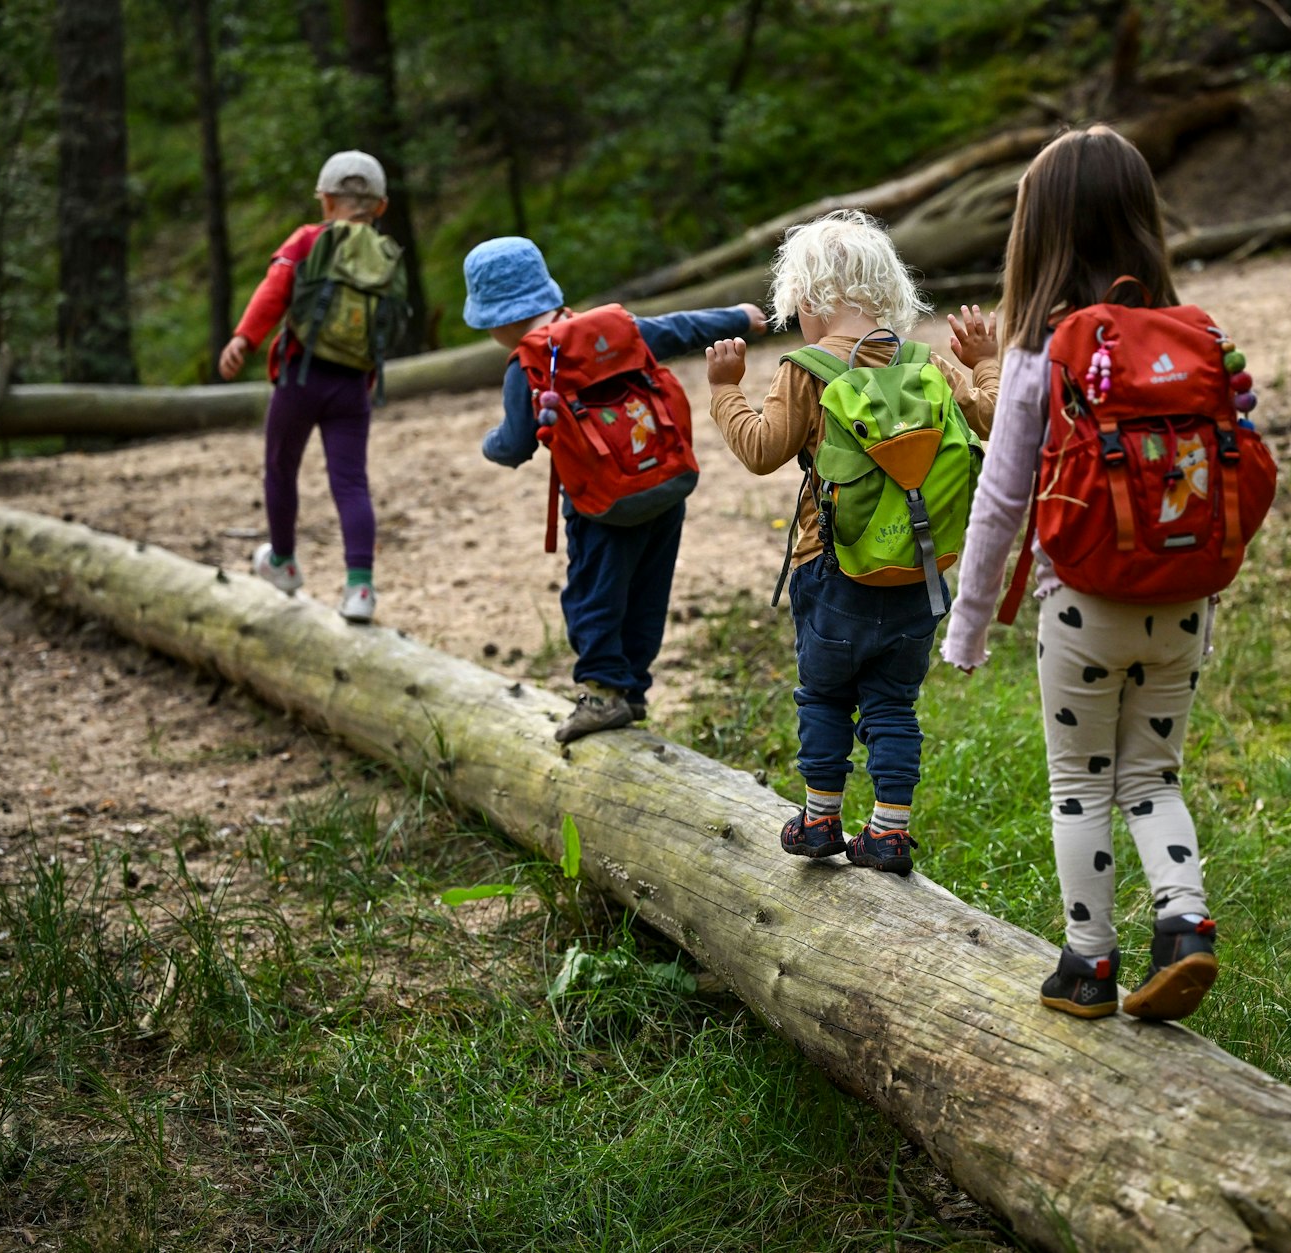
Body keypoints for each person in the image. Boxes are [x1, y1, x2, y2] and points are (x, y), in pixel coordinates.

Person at [941, 127, 1232, 1020]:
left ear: (1037, 235)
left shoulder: (1040, 355)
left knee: (1080, 786)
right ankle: (1184, 925)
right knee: (1153, 778)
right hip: (1182, 601)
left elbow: (1000, 500)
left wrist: (968, 626)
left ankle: (1088, 963)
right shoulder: (1195, 341)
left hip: (1083, 608)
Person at [705, 210, 999, 874]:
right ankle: (889, 831)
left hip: (831, 570)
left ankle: (818, 822)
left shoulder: (807, 368)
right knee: (893, 702)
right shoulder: (925, 363)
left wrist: (725, 392)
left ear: (807, 298)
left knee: (825, 694)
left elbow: (761, 449)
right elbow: (994, 418)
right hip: (920, 570)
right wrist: (984, 363)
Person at [465, 235, 766, 743]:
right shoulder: (614, 329)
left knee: (594, 594)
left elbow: (515, 445)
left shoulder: (528, 365)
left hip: (602, 505)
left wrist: (488, 444)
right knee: (648, 589)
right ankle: (633, 690)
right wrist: (737, 316)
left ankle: (604, 694)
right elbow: (680, 328)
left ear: (495, 320)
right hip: (666, 483)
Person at [220, 150, 403, 623]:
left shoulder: (307, 240)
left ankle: (283, 561)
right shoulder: (383, 255)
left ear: (325, 200)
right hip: (353, 387)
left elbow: (274, 289)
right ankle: (360, 587)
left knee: (281, 467)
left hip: (300, 379)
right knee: (351, 482)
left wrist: (244, 338)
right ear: (380, 207)